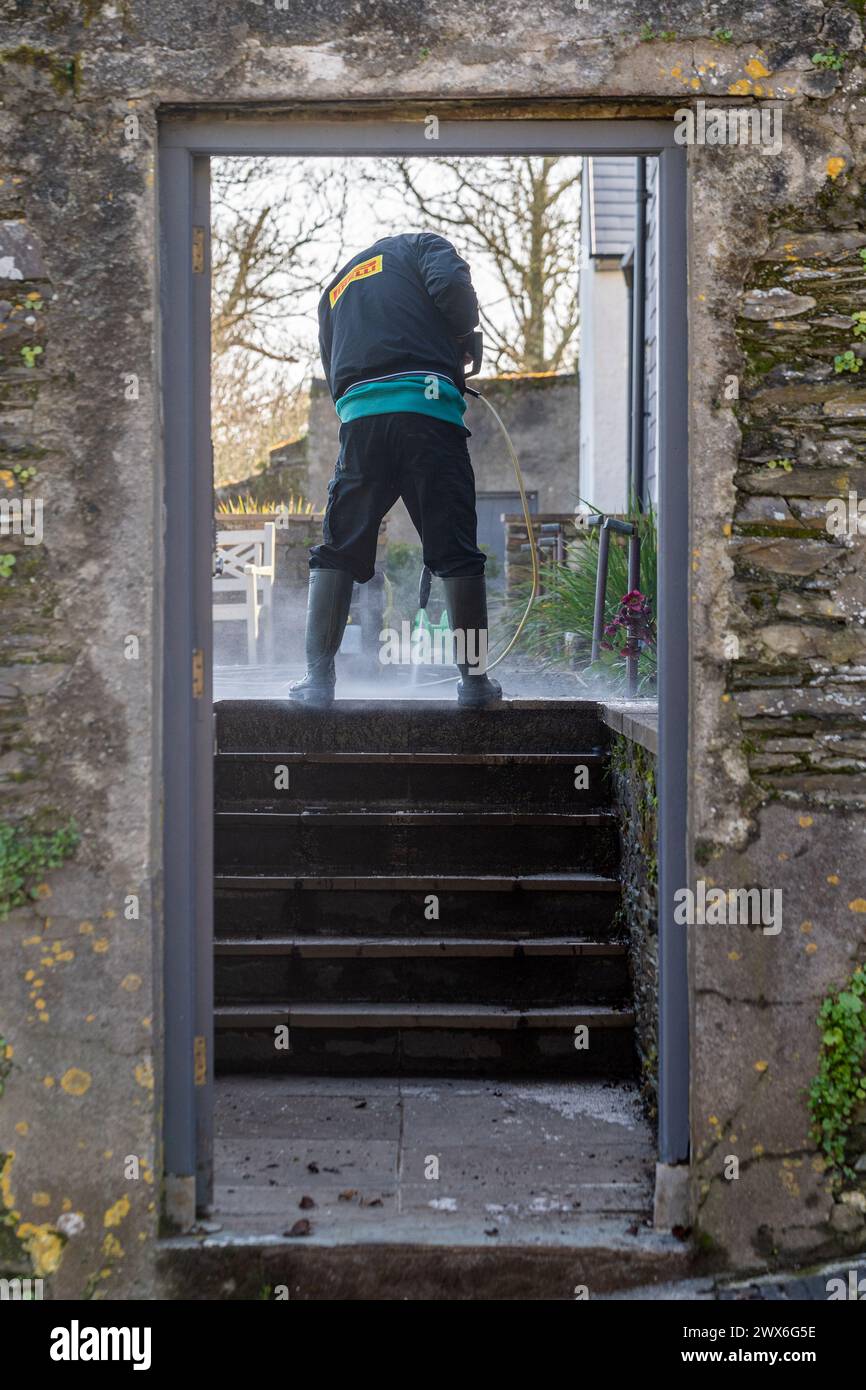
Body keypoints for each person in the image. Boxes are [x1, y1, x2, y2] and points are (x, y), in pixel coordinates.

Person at [288, 231, 503, 709]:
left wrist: (362, 405)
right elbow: (453, 291)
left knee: (338, 548)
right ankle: (474, 687)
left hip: (361, 422)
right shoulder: (425, 246)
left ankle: (317, 684)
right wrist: (462, 337)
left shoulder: (339, 283)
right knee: (455, 551)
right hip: (428, 414)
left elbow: (332, 361)